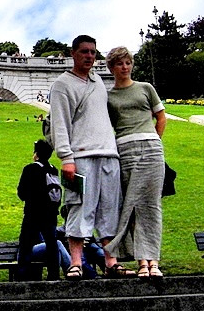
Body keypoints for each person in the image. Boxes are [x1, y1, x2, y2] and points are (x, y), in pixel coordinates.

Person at [48, 35, 132, 280]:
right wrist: (66, 157)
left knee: (109, 210)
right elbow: (59, 124)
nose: (89, 56)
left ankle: (111, 261)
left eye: (93, 52)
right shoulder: (63, 84)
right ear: (73, 53)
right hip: (81, 156)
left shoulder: (97, 81)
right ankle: (76, 262)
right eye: (84, 51)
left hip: (109, 154)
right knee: (78, 208)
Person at [104, 46, 167, 279]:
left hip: (151, 148)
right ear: (111, 68)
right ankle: (142, 262)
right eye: (119, 63)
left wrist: (153, 140)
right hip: (125, 150)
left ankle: (154, 261)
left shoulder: (145, 88)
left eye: (128, 62)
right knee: (132, 206)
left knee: (152, 206)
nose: (125, 67)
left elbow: (161, 117)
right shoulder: (109, 97)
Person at [15, 139, 61, 281]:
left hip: (33, 213)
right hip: (51, 213)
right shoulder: (53, 169)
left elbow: (21, 192)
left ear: (36, 153)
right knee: (51, 243)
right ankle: (54, 274)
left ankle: (23, 275)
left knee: (25, 244)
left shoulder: (30, 169)